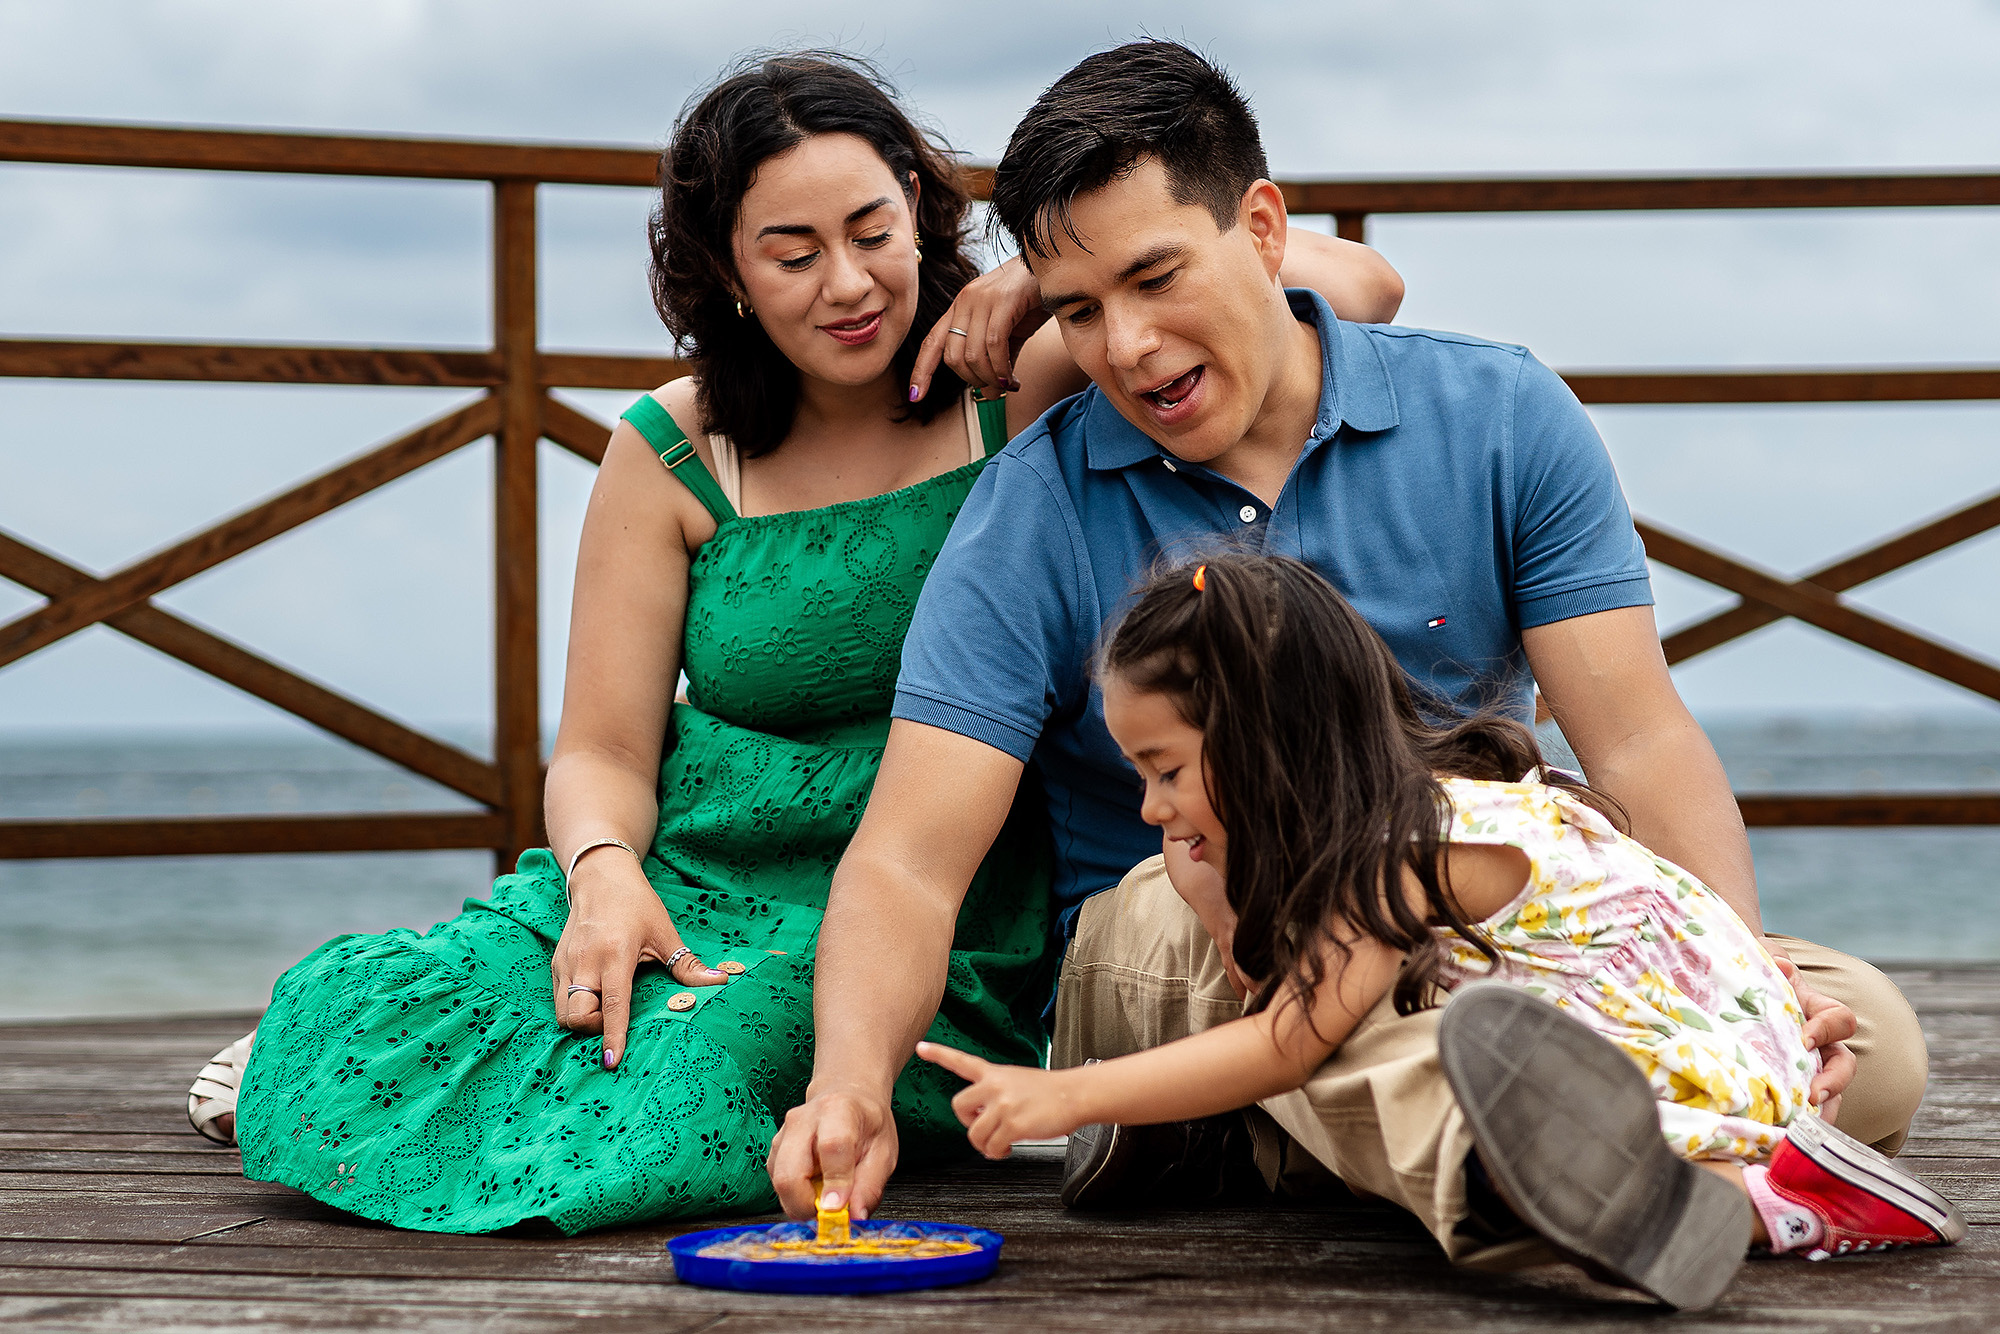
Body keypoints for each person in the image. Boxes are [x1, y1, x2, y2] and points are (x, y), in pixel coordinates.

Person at [768, 38, 1930, 1297]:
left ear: (1262, 229)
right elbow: (907, 857)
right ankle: (1549, 1176)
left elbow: (1637, 738)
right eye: (1078, 310)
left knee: (1862, 1032)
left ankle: (1285, 1136)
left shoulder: (1498, 415)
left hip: (1461, 914)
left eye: (1155, 276)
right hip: (1175, 927)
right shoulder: (1030, 506)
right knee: (1316, 925)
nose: (1128, 344)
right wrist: (849, 1083)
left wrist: (1732, 966)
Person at [180, 51, 1406, 1234]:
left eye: (873, 231)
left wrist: (1037, 281)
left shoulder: (1018, 380)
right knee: (396, 1018)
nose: (849, 284)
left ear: (920, 209)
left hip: (913, 896)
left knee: (685, 1088)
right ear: (724, 270)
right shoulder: (670, 447)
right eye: (793, 251)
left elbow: (1360, 287)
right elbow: (602, 746)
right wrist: (605, 870)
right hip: (686, 864)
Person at [918, 554, 1964, 1309]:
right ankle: (1783, 1174)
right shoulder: (1450, 794)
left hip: (1671, 1065)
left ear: (1263, 745)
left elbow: (1282, 1034)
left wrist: (1063, 1092)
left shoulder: (1382, 857)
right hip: (1736, 1033)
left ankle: (1757, 1201)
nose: (1149, 808)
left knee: (1404, 1050)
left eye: (1165, 769)